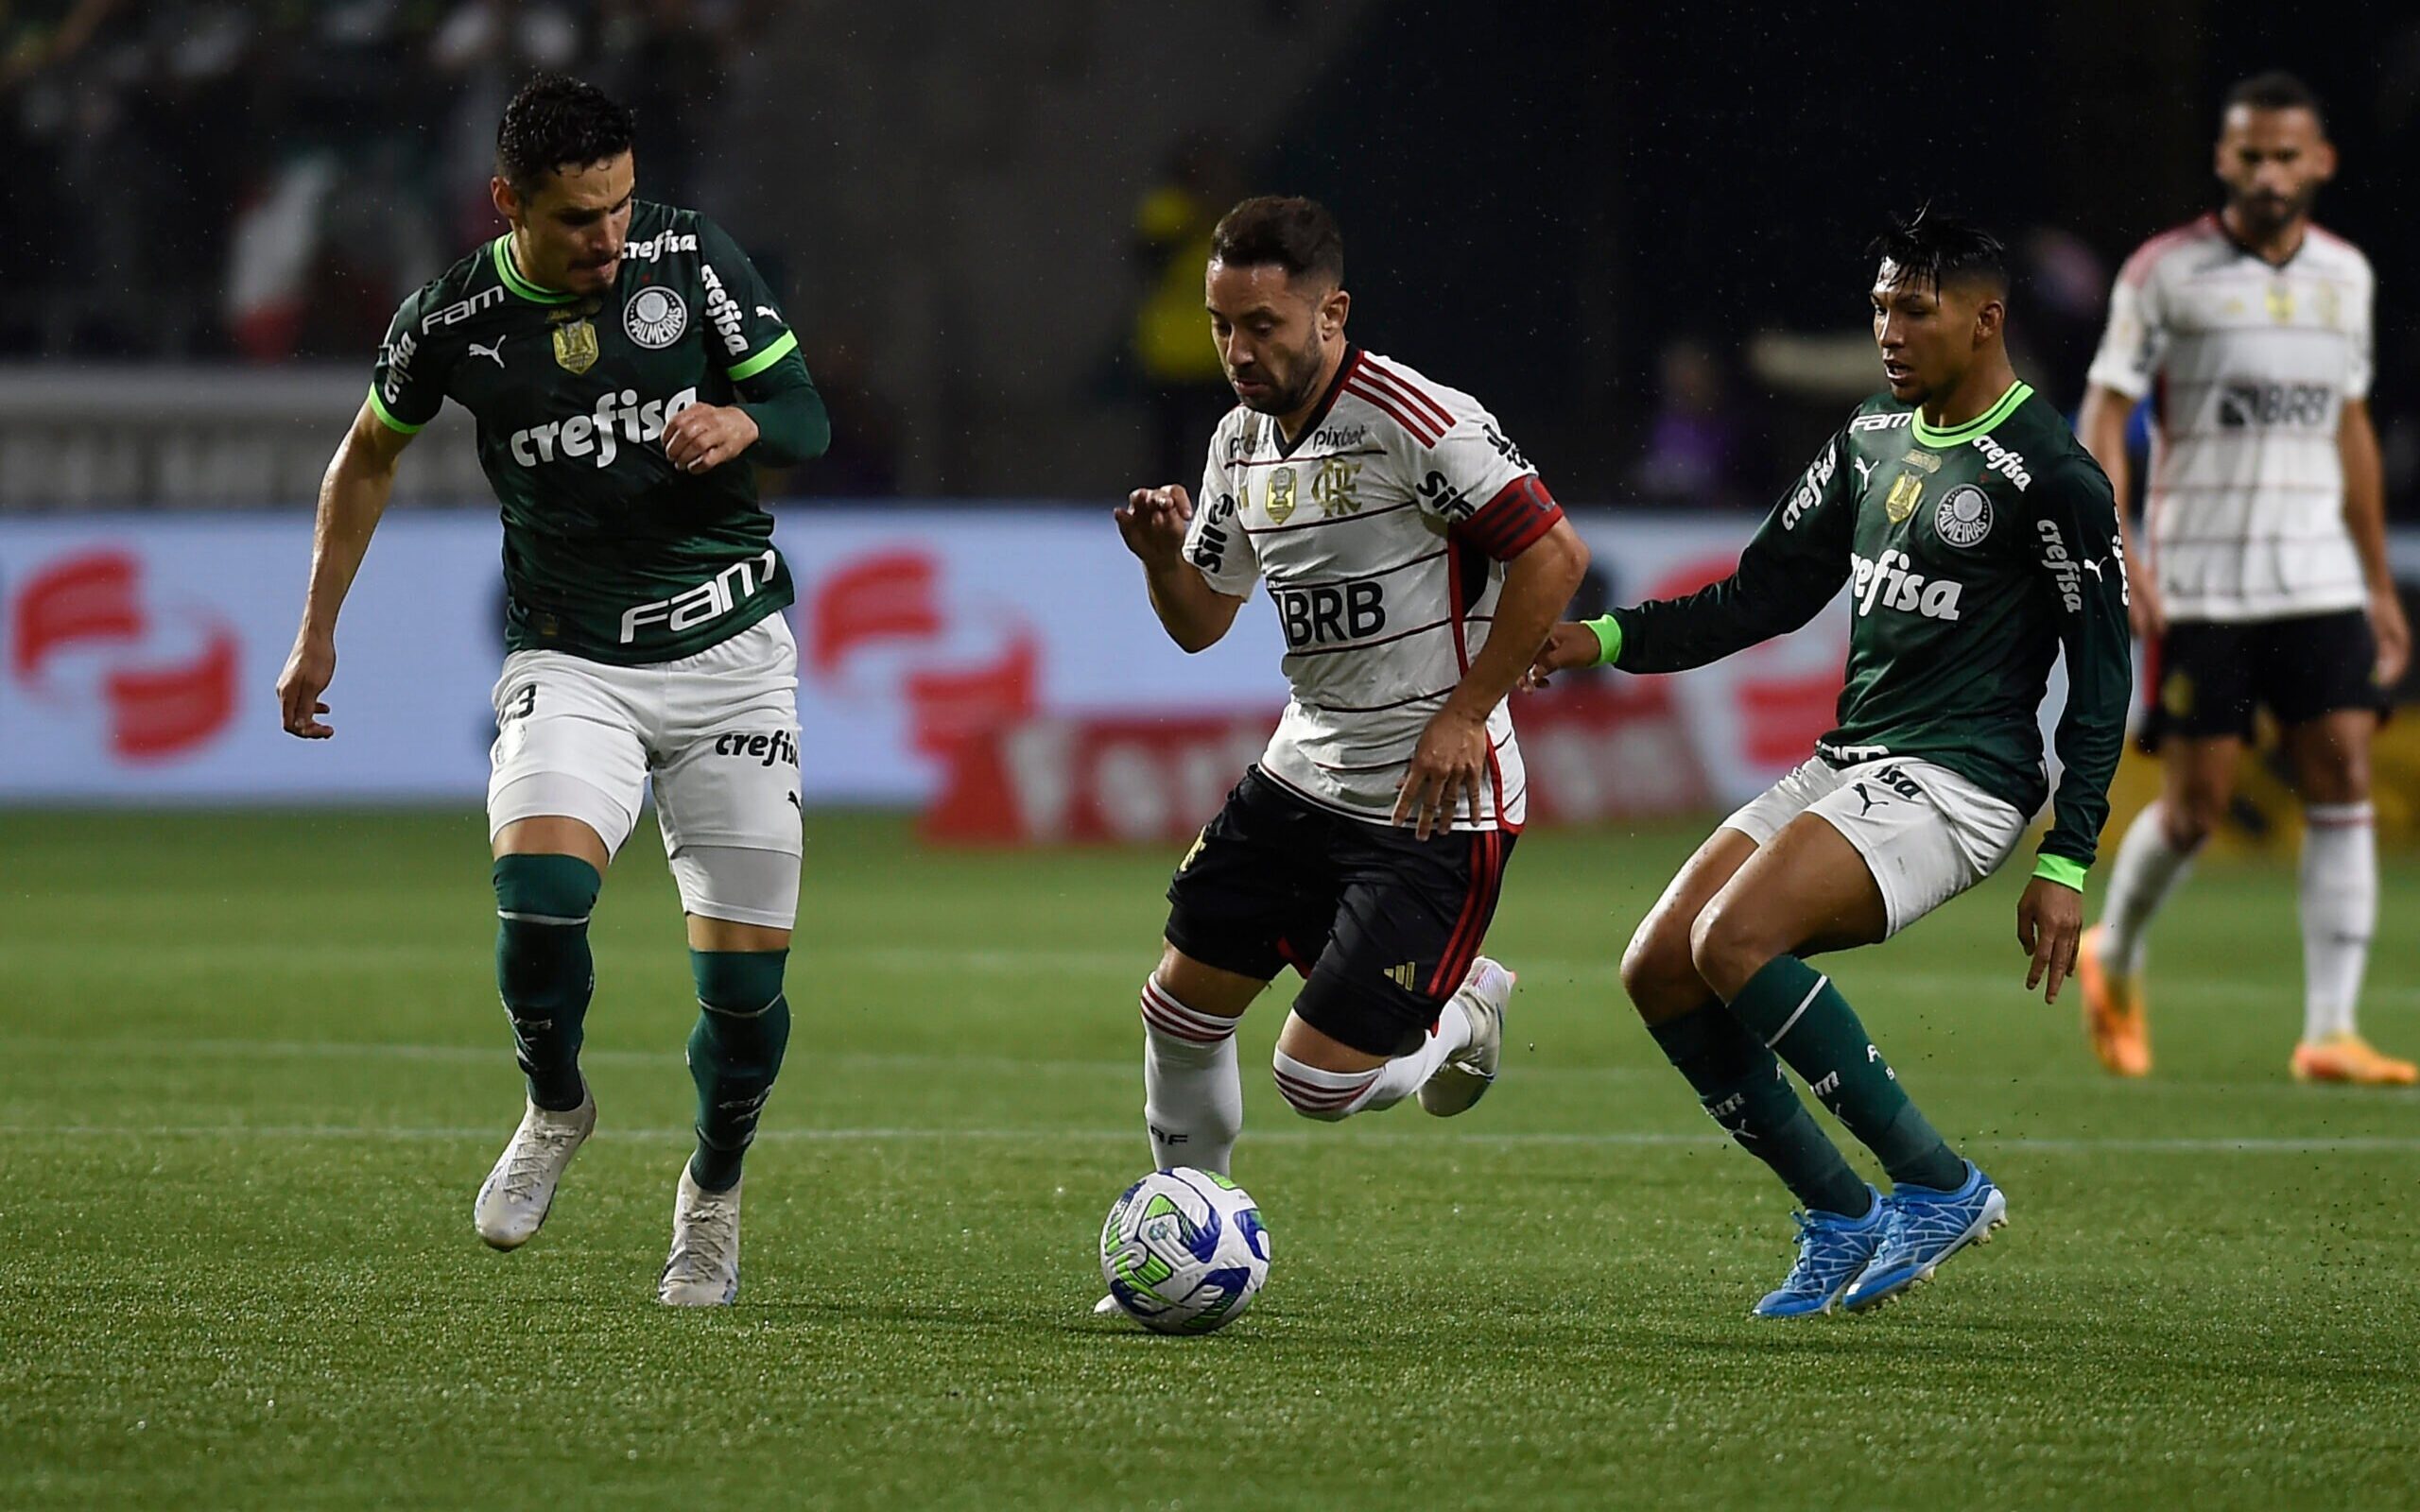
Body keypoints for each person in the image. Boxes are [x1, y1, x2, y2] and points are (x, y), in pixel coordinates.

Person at [273, 75, 830, 1306]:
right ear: (507, 204)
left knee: (742, 993)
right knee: (536, 905)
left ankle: (713, 1196)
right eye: (580, 217)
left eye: (622, 206)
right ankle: (555, 1106)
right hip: (571, 653)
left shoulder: (690, 257)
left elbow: (807, 412)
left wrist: (744, 425)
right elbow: (365, 459)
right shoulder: (450, 320)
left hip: (732, 653)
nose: (610, 239)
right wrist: (317, 633)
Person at [1527, 210, 2131, 1316]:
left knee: (1734, 940)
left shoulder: (2051, 474)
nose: (1889, 330)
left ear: (1984, 318)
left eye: (1914, 308)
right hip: (1848, 761)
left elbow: (2102, 675)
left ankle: (1938, 1184)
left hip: (1963, 781)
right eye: (1880, 308)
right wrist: (1604, 640)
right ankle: (1838, 1211)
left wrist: (2068, 858)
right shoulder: (1869, 436)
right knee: (1657, 967)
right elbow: (1760, 592)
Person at [1103, 196, 1588, 1309]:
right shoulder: (1235, 439)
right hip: (1300, 772)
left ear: (1333, 314)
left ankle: (1470, 1007)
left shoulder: (1414, 418)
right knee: (1176, 1009)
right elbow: (1202, 619)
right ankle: (1186, 1234)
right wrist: (1156, 557)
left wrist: (1467, 711)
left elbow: (1554, 554)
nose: (1237, 350)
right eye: (1222, 323)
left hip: (1431, 800)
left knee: (1314, 1084)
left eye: (1263, 325)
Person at [2074, 72, 2412, 1086]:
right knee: (2196, 809)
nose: (2268, 174)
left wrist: (2378, 580)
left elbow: (2348, 424)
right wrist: (2118, 548)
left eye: (2285, 156)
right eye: (2249, 156)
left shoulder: (2345, 277)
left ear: (2320, 163)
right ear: (2223, 162)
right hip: (2204, 582)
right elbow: (2103, 413)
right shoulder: (2164, 273)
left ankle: (2330, 1029)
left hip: (2317, 575)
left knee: (2343, 771)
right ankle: (2113, 951)